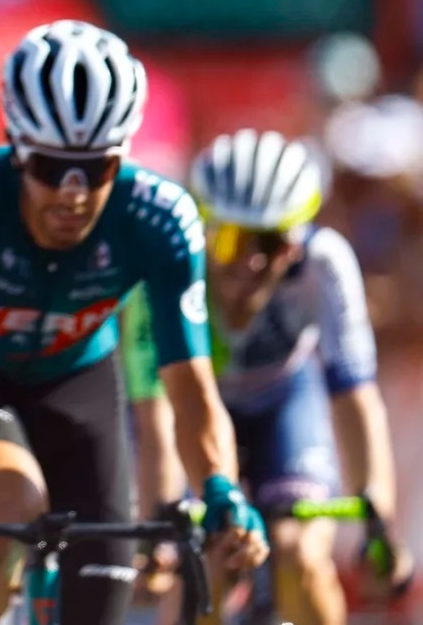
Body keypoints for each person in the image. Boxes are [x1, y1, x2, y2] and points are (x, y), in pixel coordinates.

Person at [0, 20, 268, 625]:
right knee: (9, 514)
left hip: (79, 385)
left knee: (105, 581)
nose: (71, 194)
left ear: (122, 157)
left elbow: (189, 386)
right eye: (51, 168)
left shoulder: (161, 218)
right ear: (16, 149)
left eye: (96, 169)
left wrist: (220, 488)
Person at [124, 130, 413, 625]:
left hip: (283, 403)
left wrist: (378, 517)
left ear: (298, 241)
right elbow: (158, 414)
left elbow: (354, 397)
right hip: (191, 413)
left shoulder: (325, 264)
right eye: (232, 239)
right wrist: (159, 522)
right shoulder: (167, 268)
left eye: (272, 243)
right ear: (205, 230)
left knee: (300, 555)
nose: (250, 262)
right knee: (204, 565)